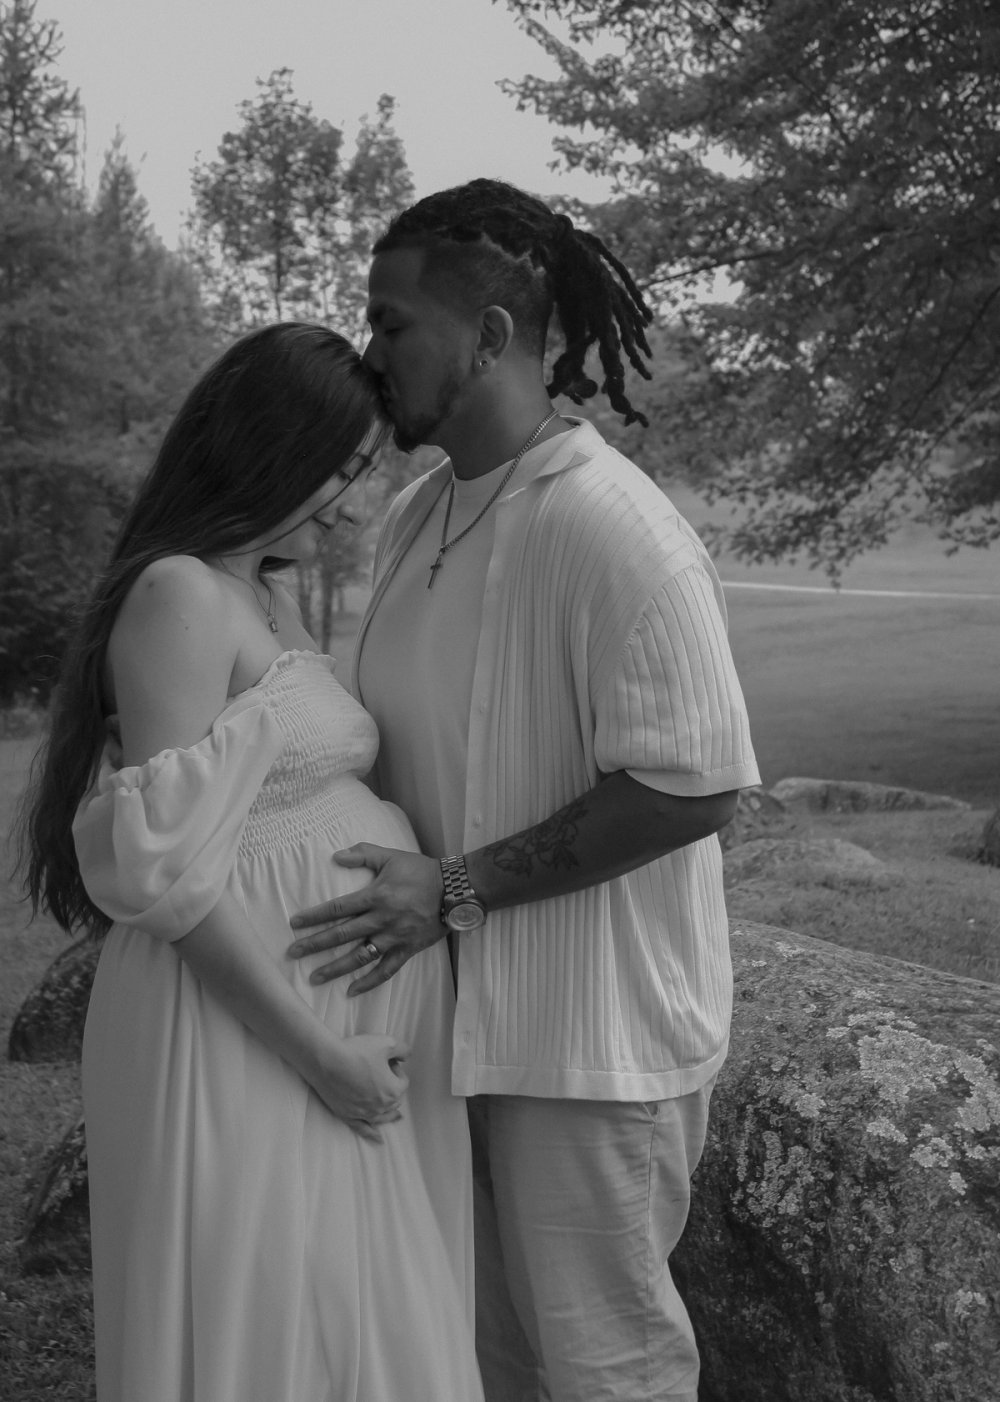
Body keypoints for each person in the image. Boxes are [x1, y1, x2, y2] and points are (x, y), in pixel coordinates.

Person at [286, 181, 761, 1402]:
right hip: (443, 1026)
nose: (369, 351)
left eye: (392, 325)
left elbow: (693, 787)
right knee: (481, 1360)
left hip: (585, 1045)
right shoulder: (412, 515)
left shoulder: (617, 531)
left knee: (605, 1369)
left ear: (491, 338)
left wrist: (454, 889)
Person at [19, 324, 484, 1402]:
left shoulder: (263, 588)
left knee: (365, 1331)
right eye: (340, 469)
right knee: (267, 1329)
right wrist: (321, 1053)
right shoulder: (178, 594)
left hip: (323, 1034)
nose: (351, 501)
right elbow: (171, 879)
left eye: (364, 472)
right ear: (266, 448)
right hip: (240, 1029)